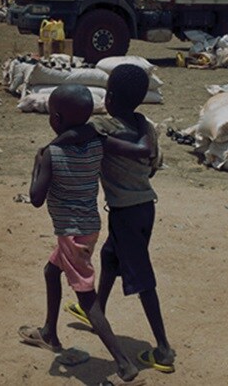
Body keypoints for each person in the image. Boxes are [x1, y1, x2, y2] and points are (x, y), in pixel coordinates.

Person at [19, 84, 149, 386]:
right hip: (88, 227)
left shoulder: (52, 154)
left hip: (71, 233)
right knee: (52, 271)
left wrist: (36, 166)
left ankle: (125, 366)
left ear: (56, 119)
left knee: (87, 300)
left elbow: (36, 198)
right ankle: (49, 332)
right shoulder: (95, 142)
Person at [60, 64, 177, 375]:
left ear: (109, 97)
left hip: (126, 213)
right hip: (144, 208)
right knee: (110, 256)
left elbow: (75, 134)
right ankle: (98, 310)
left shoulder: (103, 128)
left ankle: (164, 348)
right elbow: (153, 164)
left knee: (143, 281)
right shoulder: (144, 125)